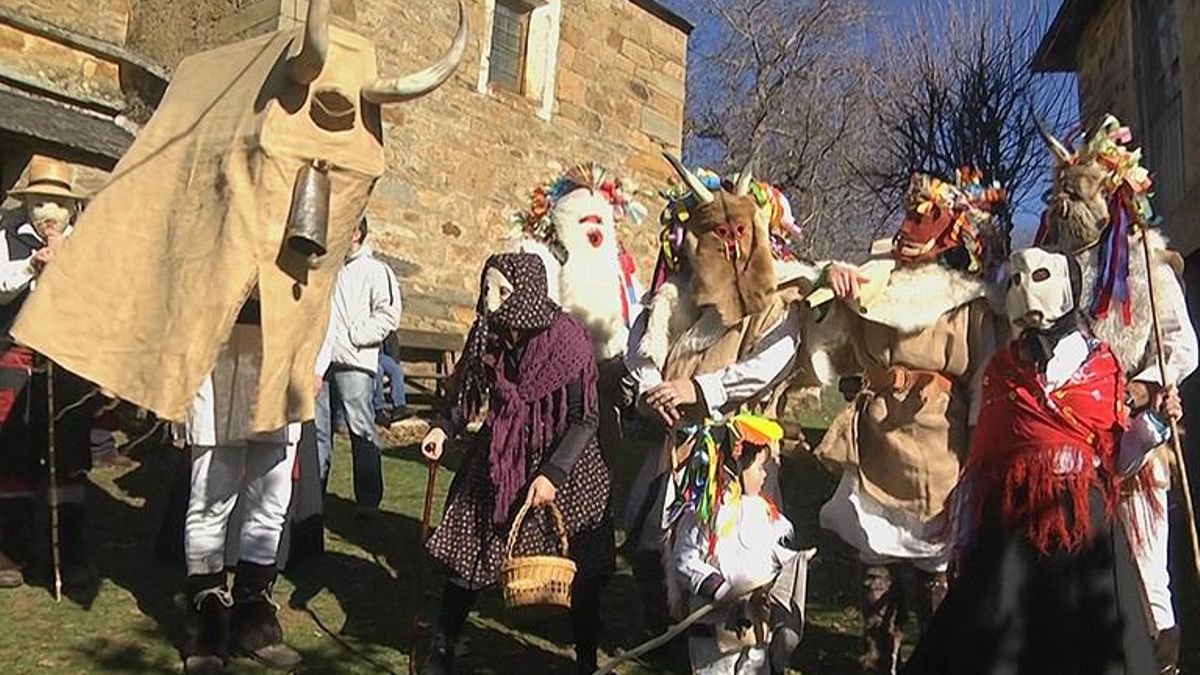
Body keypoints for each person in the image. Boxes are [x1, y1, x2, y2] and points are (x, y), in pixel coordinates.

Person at [650, 169, 1006, 674]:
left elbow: (984, 382)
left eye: (925, 219)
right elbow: (825, 346)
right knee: (876, 569)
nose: (912, 229)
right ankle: (875, 661)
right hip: (880, 440)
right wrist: (837, 289)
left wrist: (976, 453)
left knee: (934, 576)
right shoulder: (873, 290)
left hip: (939, 449)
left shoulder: (967, 304)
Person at [903, 247, 1171, 674]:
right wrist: (965, 542)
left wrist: (1154, 424)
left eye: (1040, 276)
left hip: (1085, 528)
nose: (1025, 289)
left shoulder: (1102, 367)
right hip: (1013, 527)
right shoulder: (1002, 371)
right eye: (1014, 281)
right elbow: (986, 460)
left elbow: (1116, 459)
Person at [623, 156, 820, 635]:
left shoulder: (776, 299)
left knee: (735, 549)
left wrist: (698, 389)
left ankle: (740, 639)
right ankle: (669, 626)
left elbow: (770, 364)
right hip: (677, 440)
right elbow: (640, 346)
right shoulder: (675, 295)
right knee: (650, 536)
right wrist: (654, 389)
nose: (725, 248)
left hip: (739, 451)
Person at [1035, 115, 1198, 674]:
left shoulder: (1149, 268)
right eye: (1060, 193)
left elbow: (1183, 347)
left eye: (1075, 193)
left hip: (1136, 450)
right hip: (1075, 449)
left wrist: (1148, 384)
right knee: (1081, 572)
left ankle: (1162, 663)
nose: (1063, 205)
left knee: (1149, 570)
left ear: (1110, 196)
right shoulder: (1059, 273)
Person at [419, 253, 614, 675]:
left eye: (502, 293)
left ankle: (586, 659)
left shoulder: (568, 341)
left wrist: (553, 474)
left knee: (577, 563)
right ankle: (445, 645)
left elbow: (585, 417)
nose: (491, 303)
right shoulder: (487, 335)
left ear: (526, 293)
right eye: (488, 291)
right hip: (502, 456)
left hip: (564, 461)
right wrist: (443, 428)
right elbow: (466, 396)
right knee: (468, 547)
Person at [180, 295, 321, 674]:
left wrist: (317, 363)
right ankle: (206, 630)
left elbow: (324, 285)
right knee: (210, 501)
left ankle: (254, 624)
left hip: (282, 362)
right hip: (216, 358)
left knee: (271, 505)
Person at [0, 155, 96, 590]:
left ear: (73, 209)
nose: (48, 215)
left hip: (68, 361)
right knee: (12, 453)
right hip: (17, 357)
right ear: (26, 205)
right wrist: (30, 268)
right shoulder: (6, 238)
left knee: (68, 458)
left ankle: (68, 554)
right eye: (39, 204)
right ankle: (11, 553)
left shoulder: (88, 245)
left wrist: (68, 271)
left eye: (57, 205)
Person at [671, 417, 796, 675]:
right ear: (738, 463)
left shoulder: (764, 512)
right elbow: (685, 558)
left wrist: (795, 563)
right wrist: (720, 589)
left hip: (754, 628)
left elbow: (769, 554)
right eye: (761, 467)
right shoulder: (710, 511)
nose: (765, 474)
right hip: (715, 632)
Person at [314, 217, 401, 514]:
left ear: (357, 233)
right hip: (322, 362)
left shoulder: (377, 270)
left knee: (360, 431)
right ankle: (315, 496)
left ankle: (368, 501)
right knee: (319, 432)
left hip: (354, 362)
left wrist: (354, 337)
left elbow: (388, 315)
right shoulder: (331, 269)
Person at [373, 330, 407, 425]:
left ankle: (399, 406)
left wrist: (395, 360)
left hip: (382, 356)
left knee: (397, 370)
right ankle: (379, 409)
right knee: (378, 371)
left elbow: (393, 342)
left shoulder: (388, 326)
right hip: (370, 355)